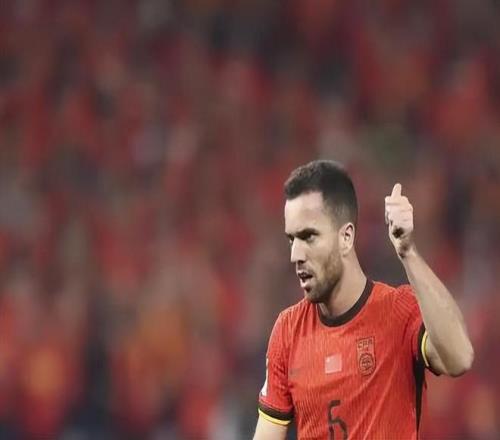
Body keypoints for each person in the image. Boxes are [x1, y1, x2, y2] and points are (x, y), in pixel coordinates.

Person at [253, 160, 474, 440]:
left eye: (309, 237)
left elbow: (459, 358)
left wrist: (408, 252)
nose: (295, 255)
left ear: (346, 237)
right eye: (291, 239)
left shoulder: (398, 311)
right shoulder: (288, 331)